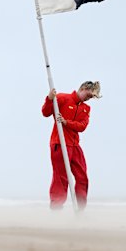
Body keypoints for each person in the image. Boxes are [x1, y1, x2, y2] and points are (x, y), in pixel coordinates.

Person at [42, 80, 101, 210]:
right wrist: (49, 99)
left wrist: (66, 122)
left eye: (91, 98)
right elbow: (45, 112)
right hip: (60, 143)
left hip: (74, 145)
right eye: (89, 95)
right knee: (61, 177)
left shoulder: (86, 109)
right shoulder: (63, 98)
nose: (89, 99)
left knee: (82, 177)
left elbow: (82, 126)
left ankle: (80, 209)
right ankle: (56, 208)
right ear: (83, 88)